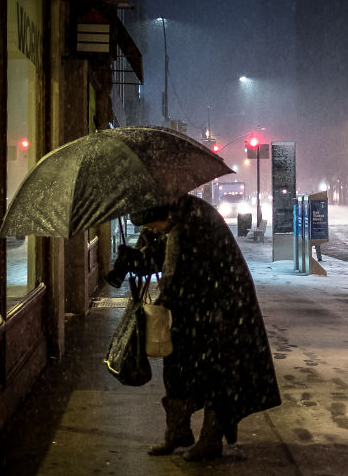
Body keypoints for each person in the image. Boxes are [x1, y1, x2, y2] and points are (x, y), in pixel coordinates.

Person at [112, 195, 280, 461]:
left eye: (152, 225)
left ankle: (211, 440)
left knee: (216, 373)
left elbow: (185, 273)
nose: (151, 231)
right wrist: (133, 260)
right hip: (199, 309)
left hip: (222, 311)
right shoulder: (178, 219)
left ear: (164, 215)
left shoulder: (192, 223)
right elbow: (165, 260)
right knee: (176, 365)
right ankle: (177, 432)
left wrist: (164, 297)